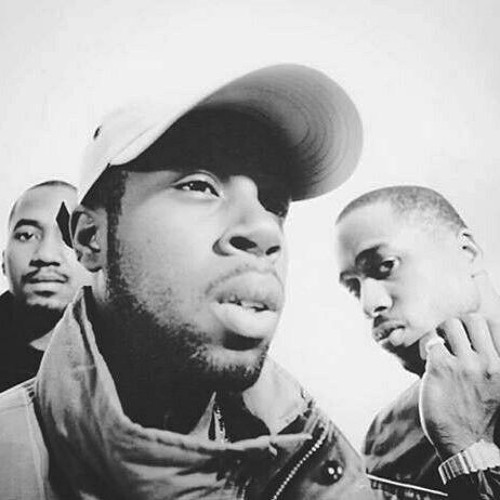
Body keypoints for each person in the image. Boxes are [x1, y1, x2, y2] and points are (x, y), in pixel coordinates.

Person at [0, 67, 494, 499]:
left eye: (274, 204)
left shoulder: (313, 456)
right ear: (89, 238)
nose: (263, 230)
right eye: (199, 185)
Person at [334, 185, 500, 494]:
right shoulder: (386, 438)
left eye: (386, 266)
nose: (369, 305)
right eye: (354, 287)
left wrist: (469, 449)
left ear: (467, 253)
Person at [0, 180, 91, 391]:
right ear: (3, 260)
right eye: (26, 235)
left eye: (68, 236)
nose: (46, 255)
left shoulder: (133, 360)